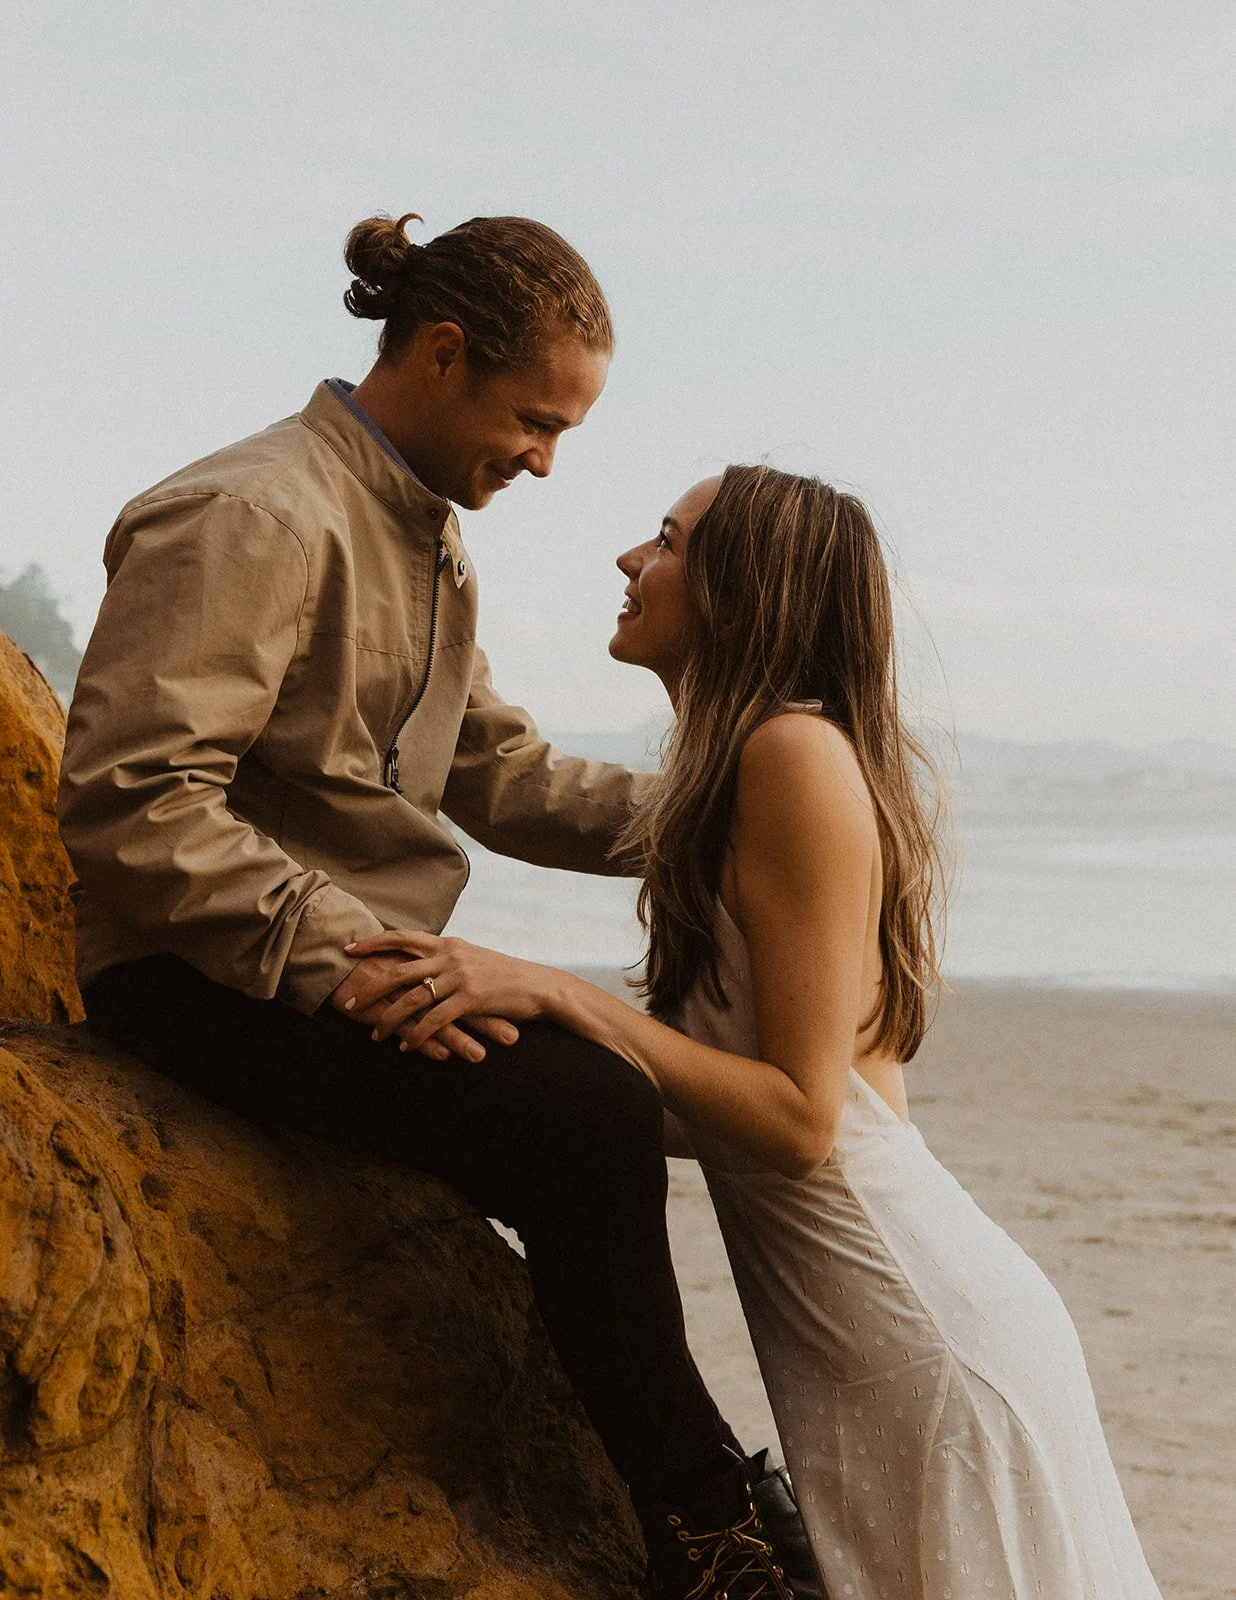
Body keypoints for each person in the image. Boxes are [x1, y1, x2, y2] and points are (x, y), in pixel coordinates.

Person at [58, 215, 814, 1599]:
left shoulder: (422, 533)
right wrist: (354, 954)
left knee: (639, 1097)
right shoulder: (252, 512)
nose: (545, 460)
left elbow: (495, 768)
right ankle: (711, 1529)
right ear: (444, 353)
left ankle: (709, 1493)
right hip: (200, 975)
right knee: (584, 1117)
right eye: (537, 419)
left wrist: (725, 824)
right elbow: (135, 802)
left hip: (335, 961)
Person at [343, 466, 1168, 1597]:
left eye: (669, 540)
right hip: (866, 1340)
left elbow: (799, 1123)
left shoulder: (792, 754)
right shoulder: (739, 770)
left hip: (918, 1337)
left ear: (745, 591)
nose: (632, 559)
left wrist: (557, 992)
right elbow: (727, 1107)